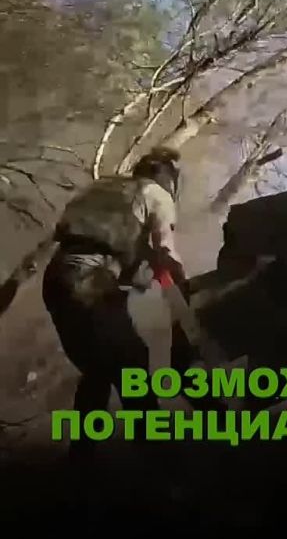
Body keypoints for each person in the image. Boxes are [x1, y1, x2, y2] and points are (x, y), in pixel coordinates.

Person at [43, 146, 188, 460]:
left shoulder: (103, 189)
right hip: (89, 279)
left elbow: (91, 241)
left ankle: (81, 460)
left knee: (99, 367)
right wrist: (183, 291)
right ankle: (156, 455)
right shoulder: (154, 194)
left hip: (57, 278)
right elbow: (165, 251)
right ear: (166, 175)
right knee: (130, 364)